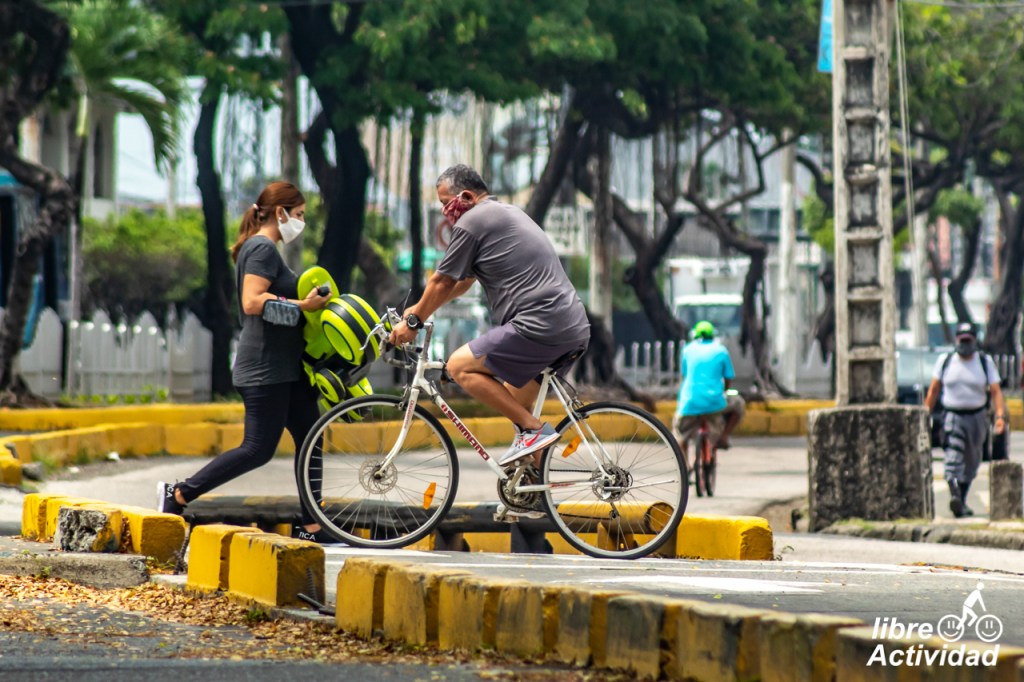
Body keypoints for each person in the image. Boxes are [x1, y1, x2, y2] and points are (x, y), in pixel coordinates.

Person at [157, 181, 332, 541]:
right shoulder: (262, 248)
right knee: (257, 449)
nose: (301, 222)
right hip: (265, 368)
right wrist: (304, 305)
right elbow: (253, 302)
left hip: (286, 369)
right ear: (280, 213)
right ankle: (178, 493)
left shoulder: (266, 249)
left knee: (311, 437)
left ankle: (313, 524)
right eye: (298, 215)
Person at [388, 164, 590, 466]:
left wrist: (413, 323)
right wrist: (418, 310)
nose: (445, 213)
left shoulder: (474, 220)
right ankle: (532, 487)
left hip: (539, 324)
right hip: (567, 325)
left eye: (446, 203)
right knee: (513, 405)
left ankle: (534, 431)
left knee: (459, 367)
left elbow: (441, 281)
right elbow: (460, 283)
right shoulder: (502, 213)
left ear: (467, 196)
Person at [924, 321, 1007, 518]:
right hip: (952, 415)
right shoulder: (946, 360)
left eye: (968, 340)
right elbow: (934, 389)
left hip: (977, 417)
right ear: (956, 340)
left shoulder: (984, 362)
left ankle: (960, 499)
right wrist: (925, 413)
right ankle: (954, 492)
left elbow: (996, 391)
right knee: (953, 455)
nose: (965, 344)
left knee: (972, 460)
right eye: (962, 340)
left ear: (974, 341)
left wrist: (1000, 416)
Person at [672, 321, 746, 459]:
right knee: (739, 404)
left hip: (689, 403)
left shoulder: (687, 350)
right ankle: (724, 437)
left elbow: (685, 376)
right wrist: (723, 392)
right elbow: (728, 377)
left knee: (680, 435)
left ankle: (685, 466)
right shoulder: (721, 350)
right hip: (715, 403)